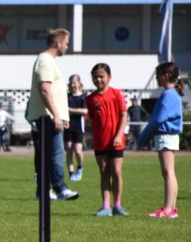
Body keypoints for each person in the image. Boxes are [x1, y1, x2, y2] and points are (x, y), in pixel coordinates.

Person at [27, 28, 79, 201]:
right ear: (58, 42)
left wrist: (63, 116)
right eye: (66, 43)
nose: (67, 47)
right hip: (48, 117)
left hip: (51, 116)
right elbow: (45, 89)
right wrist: (56, 115)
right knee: (55, 154)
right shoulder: (46, 61)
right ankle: (59, 188)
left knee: (49, 154)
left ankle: (44, 190)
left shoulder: (48, 61)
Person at [138, 62, 184, 218]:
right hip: (169, 136)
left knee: (168, 172)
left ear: (165, 75)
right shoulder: (173, 93)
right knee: (169, 172)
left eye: (158, 75)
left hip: (165, 135)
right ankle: (171, 208)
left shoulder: (168, 94)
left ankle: (168, 209)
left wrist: (143, 137)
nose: (157, 79)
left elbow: (158, 119)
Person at [85, 63, 128, 217]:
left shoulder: (117, 94)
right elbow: (92, 118)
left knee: (116, 172)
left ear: (109, 77)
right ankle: (106, 207)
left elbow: (124, 115)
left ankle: (117, 205)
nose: (98, 79)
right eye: (95, 77)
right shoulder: (90, 99)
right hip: (100, 142)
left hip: (116, 141)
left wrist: (118, 135)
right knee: (104, 173)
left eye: (101, 76)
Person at [65, 74, 88, 181]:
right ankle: (71, 174)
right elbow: (63, 110)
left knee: (78, 150)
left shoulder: (83, 97)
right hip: (68, 126)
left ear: (79, 84)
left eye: (74, 83)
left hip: (79, 126)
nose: (72, 85)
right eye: (71, 83)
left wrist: (71, 110)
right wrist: (76, 111)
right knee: (69, 150)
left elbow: (85, 111)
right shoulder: (67, 97)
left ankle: (80, 167)